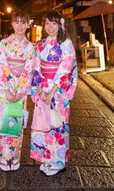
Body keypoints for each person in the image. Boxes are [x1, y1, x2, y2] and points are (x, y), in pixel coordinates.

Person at [30, 10, 78, 176]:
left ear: (60, 25)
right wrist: (38, 89)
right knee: (44, 125)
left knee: (57, 125)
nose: (50, 27)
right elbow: (36, 67)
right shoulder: (41, 44)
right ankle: (46, 159)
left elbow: (66, 69)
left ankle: (57, 163)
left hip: (57, 91)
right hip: (43, 88)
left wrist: (52, 92)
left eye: (54, 23)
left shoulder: (66, 44)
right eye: (47, 23)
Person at [0, 10, 35, 171]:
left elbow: (29, 70)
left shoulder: (30, 46)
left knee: (16, 124)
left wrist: (21, 91)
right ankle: (3, 156)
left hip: (20, 91)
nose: (20, 25)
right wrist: (8, 90)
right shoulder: (4, 44)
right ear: (12, 23)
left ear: (28, 24)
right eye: (17, 22)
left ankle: (14, 156)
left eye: (24, 22)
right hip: (4, 91)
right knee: (3, 121)